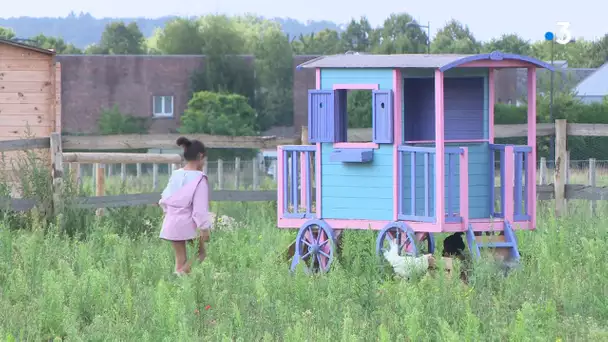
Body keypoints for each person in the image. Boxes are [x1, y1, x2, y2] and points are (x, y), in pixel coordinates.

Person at [159, 137, 211, 276]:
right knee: (200, 255)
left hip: (171, 221)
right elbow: (199, 209)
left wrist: (168, 214)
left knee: (180, 260)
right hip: (188, 224)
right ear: (200, 156)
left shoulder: (176, 174)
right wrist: (204, 229)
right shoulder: (200, 178)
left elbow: (164, 199)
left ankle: (178, 283)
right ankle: (180, 275)